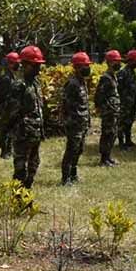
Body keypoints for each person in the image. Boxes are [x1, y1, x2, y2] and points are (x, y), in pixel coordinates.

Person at [9, 45, 46, 189]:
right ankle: (17, 202)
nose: (38, 68)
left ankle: (27, 195)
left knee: (33, 165)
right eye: (36, 65)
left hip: (35, 133)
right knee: (20, 170)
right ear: (26, 65)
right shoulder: (19, 86)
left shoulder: (35, 83)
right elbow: (12, 112)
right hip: (22, 135)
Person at [61, 52, 93, 185]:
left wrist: (88, 121)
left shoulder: (82, 82)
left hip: (82, 123)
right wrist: (69, 122)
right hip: (74, 124)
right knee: (71, 150)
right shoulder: (72, 84)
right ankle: (66, 177)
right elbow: (66, 106)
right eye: (84, 66)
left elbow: (84, 104)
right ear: (77, 67)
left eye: (87, 65)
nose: (87, 68)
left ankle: (73, 174)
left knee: (79, 150)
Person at [95, 50, 122, 167]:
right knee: (107, 133)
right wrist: (103, 109)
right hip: (108, 111)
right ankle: (103, 159)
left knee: (113, 133)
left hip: (114, 111)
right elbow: (99, 96)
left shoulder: (113, 76)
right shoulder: (105, 78)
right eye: (117, 61)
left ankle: (108, 156)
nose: (119, 64)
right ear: (110, 62)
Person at [0, 52, 21, 159]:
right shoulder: (6, 78)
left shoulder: (12, 77)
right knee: (6, 130)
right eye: (15, 63)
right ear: (10, 64)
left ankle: (9, 150)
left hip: (11, 108)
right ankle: (5, 151)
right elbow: (3, 96)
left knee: (11, 130)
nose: (18, 65)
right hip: (6, 109)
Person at [118, 49, 136, 149]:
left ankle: (128, 140)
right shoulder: (123, 73)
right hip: (124, 103)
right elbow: (119, 89)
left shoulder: (132, 72)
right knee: (122, 122)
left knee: (129, 121)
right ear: (130, 61)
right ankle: (121, 142)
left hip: (131, 102)